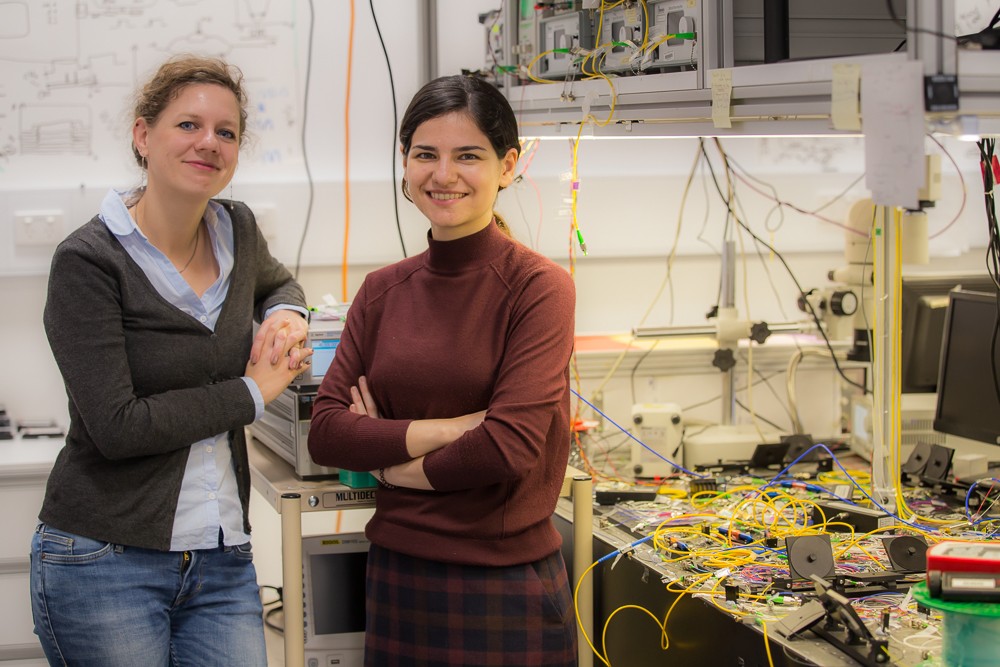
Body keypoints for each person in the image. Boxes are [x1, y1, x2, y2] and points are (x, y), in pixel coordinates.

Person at [30, 55, 312, 667]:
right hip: (105, 560)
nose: (209, 142)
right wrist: (251, 393)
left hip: (222, 558)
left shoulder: (237, 229)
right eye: (188, 125)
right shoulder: (88, 261)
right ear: (143, 135)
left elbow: (277, 283)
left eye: (226, 132)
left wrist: (289, 314)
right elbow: (118, 427)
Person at [308, 74, 578, 666]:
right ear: (405, 164)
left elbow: (507, 448)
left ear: (507, 166)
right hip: (398, 576)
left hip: (504, 585)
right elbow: (326, 432)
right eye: (425, 154)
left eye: (469, 156)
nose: (444, 174)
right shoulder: (382, 291)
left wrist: (390, 464)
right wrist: (453, 429)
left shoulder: (539, 288)